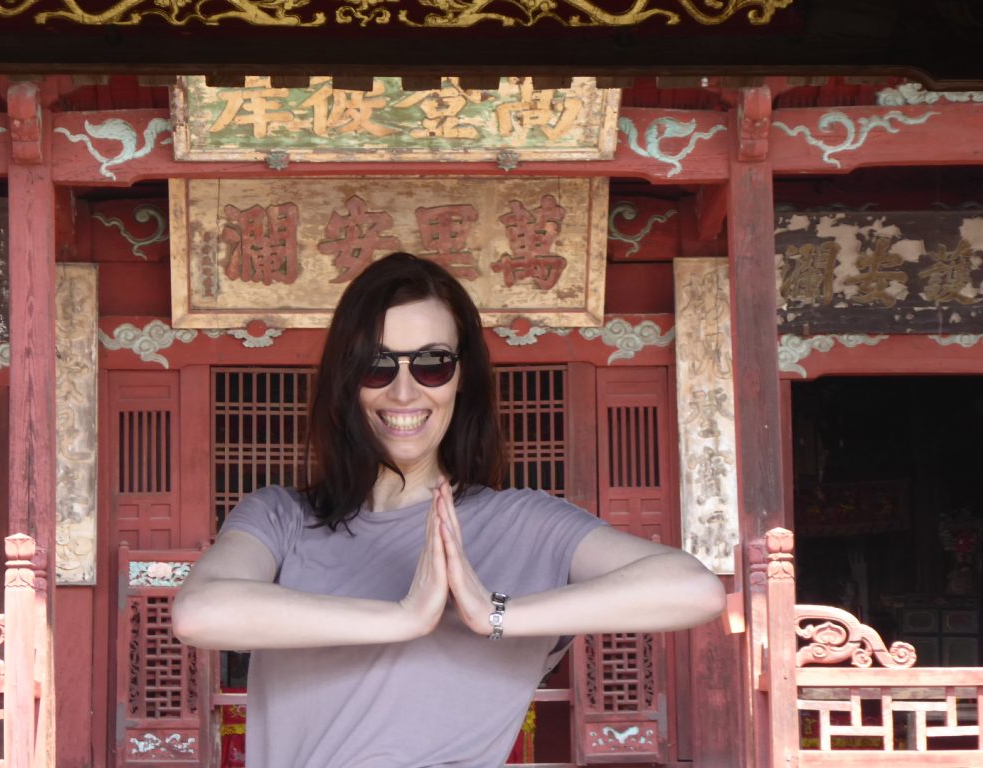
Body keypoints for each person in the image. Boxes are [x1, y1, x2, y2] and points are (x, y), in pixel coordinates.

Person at [172, 252, 725, 768]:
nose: (404, 392)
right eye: (377, 365)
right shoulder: (282, 518)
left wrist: (493, 614)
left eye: (432, 363)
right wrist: (405, 617)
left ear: (462, 377)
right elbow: (199, 613)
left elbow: (694, 589)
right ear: (346, 379)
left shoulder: (525, 525)